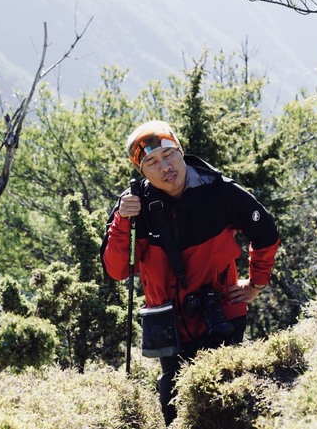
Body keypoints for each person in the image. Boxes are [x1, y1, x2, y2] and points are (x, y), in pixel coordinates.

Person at [101, 120, 280, 426]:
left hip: (220, 313)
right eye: (152, 163)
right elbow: (117, 270)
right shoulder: (134, 208)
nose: (165, 167)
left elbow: (265, 232)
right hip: (170, 325)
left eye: (169, 155)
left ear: (181, 152)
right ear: (142, 172)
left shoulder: (219, 191)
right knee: (175, 404)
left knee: (224, 402)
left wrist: (257, 283)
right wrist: (121, 221)